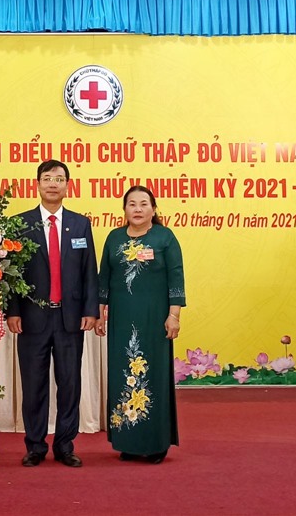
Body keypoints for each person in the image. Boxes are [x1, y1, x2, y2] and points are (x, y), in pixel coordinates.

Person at [6, 160, 99, 468]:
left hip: (69, 319)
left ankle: (64, 445)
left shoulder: (80, 224)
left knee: (70, 385)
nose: (53, 184)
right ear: (38, 184)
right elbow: (10, 272)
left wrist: (90, 310)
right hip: (31, 319)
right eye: (47, 178)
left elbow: (89, 271)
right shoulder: (20, 224)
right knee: (33, 386)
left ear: (67, 186)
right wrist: (12, 311)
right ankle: (35, 446)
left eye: (59, 179)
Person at [94, 185, 186, 464]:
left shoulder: (164, 237)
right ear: (124, 209)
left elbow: (176, 277)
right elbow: (104, 277)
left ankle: (156, 444)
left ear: (153, 209)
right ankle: (129, 442)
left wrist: (174, 315)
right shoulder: (114, 237)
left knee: (153, 375)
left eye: (143, 204)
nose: (137, 209)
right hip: (121, 319)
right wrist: (99, 312)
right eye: (132, 204)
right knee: (122, 373)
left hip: (154, 319)